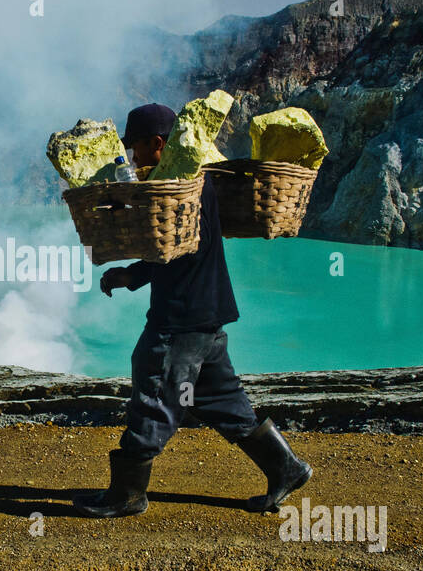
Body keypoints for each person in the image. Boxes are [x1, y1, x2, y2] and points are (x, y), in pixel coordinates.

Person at [73, 102, 313, 518]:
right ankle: (286, 468)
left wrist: (130, 261)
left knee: (155, 386)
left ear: (157, 144)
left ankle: (127, 493)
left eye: (136, 150)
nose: (134, 159)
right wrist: (132, 275)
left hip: (182, 318)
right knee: (217, 395)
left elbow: (167, 242)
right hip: (207, 311)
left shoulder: (178, 188)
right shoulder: (191, 183)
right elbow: (170, 249)